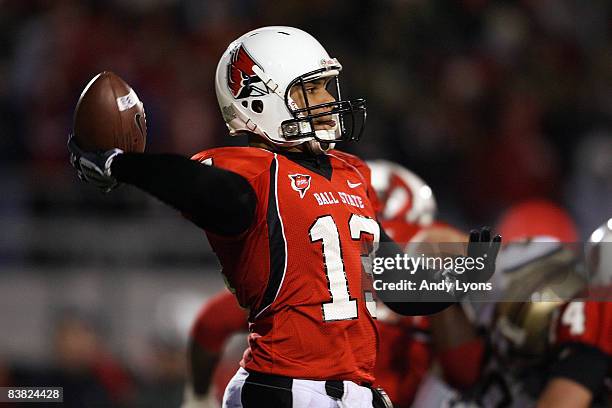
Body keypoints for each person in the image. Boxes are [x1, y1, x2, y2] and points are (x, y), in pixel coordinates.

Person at [68, 26, 500, 407]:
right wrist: (120, 164)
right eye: (311, 90)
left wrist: (464, 278)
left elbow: (395, 284)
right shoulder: (251, 171)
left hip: (354, 391)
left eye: (328, 88)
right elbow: (203, 189)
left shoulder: (351, 173)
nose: (330, 101)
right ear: (258, 98)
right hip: (284, 387)